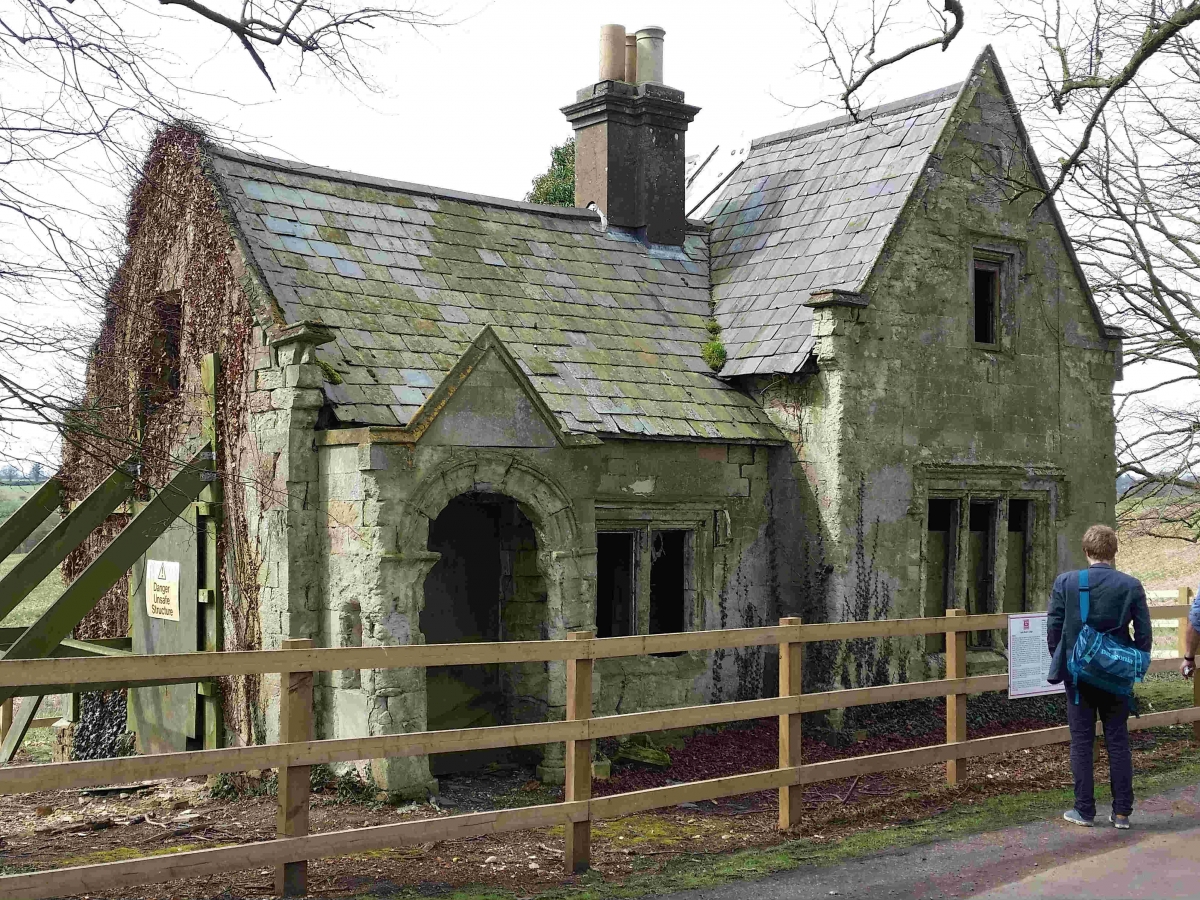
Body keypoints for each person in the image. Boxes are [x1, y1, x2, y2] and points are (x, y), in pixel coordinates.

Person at [1046, 524, 1152, 830]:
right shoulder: (1131, 586)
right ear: (1113, 552)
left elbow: (1054, 629)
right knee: (1118, 741)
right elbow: (1144, 635)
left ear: (1086, 550)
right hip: (1116, 678)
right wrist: (1128, 661)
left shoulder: (1067, 582)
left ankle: (1085, 811)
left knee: (1081, 741)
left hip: (1079, 678)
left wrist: (1068, 660)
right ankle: (1122, 813)